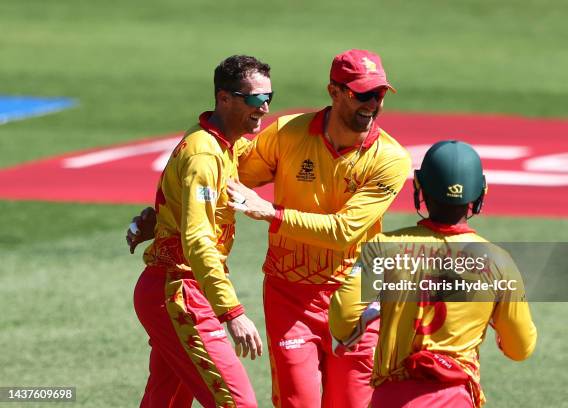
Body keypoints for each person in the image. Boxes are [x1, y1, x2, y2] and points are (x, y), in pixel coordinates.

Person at [128, 49, 411, 407]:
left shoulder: (391, 158)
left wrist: (269, 213)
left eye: (379, 93)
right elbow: (211, 180)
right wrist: (168, 214)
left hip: (356, 296)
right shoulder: (285, 134)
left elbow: (344, 230)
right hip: (280, 294)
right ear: (335, 91)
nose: (373, 103)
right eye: (363, 94)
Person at [328, 140, 538, 408]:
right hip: (455, 398)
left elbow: (342, 318)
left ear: (420, 187)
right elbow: (520, 348)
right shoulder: (498, 262)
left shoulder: (383, 247)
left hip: (392, 399)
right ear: (480, 192)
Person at [132, 55, 273, 408]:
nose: (265, 107)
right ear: (224, 98)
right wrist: (233, 313)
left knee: (165, 400)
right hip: (178, 290)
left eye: (270, 97)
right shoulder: (205, 155)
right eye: (255, 99)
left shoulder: (221, 142)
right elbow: (198, 239)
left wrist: (158, 217)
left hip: (170, 288)